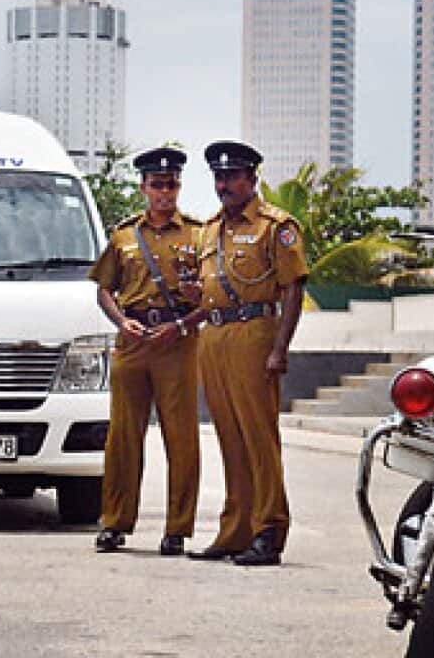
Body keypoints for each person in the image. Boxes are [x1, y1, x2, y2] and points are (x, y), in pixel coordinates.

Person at [186, 140, 308, 567]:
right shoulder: (210, 228)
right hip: (214, 335)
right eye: (219, 177)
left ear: (252, 178)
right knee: (229, 438)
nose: (224, 185)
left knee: (258, 437)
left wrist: (280, 348)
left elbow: (293, 288)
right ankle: (235, 530)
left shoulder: (276, 226)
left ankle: (269, 530)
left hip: (255, 334)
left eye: (233, 177)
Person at [88, 147, 202, 556]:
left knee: (181, 437)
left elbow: (213, 297)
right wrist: (121, 322)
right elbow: (103, 289)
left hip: (178, 342)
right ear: (144, 188)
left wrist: (184, 322)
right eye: (157, 185)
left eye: (171, 185)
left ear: (179, 186)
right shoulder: (123, 236)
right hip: (133, 341)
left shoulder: (198, 235)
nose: (164, 192)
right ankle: (114, 523)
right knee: (123, 436)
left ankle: (177, 529)